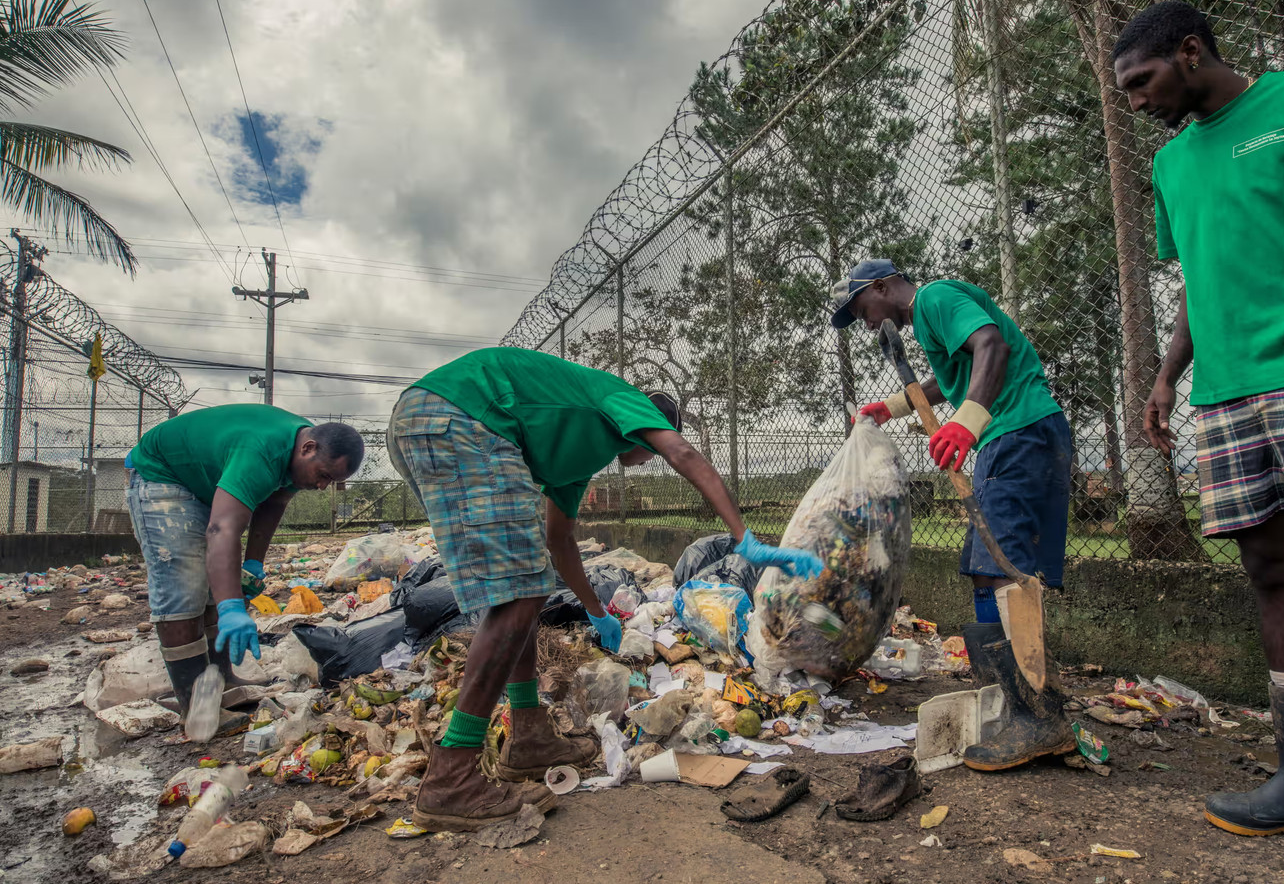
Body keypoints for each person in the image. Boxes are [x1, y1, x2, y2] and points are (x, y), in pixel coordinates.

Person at [1113, 0, 1284, 870]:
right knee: (1271, 570)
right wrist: (1166, 377)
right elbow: (1198, 275)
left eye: (1142, 82)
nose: (1135, 102)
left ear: (1191, 52)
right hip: (1227, 388)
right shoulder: (1172, 164)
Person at [388, 346, 823, 832]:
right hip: (462, 416)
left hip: (438, 419)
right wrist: (745, 539)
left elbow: (559, 541)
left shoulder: (572, 458)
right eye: (653, 442)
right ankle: (451, 777)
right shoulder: (626, 399)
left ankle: (528, 736)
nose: (654, 453)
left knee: (525, 589)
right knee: (516, 595)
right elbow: (683, 453)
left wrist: (597, 611)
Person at [831, 258, 1074, 770]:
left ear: (881, 287)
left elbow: (992, 346)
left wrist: (967, 423)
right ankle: (1021, 704)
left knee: (995, 569)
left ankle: (1030, 716)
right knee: (1009, 572)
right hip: (1029, 432)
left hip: (1016, 432)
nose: (868, 323)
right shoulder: (926, 322)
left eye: (863, 309)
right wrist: (893, 405)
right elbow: (955, 376)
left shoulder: (935, 298)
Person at [126, 406, 364, 713]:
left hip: (203, 481)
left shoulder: (300, 452)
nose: (322, 487)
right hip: (162, 475)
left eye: (330, 482)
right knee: (183, 587)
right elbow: (222, 530)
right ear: (308, 449)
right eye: (323, 476)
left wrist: (252, 566)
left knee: (216, 586)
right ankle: (197, 708)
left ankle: (223, 679)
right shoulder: (261, 452)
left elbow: (273, 504)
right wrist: (232, 607)